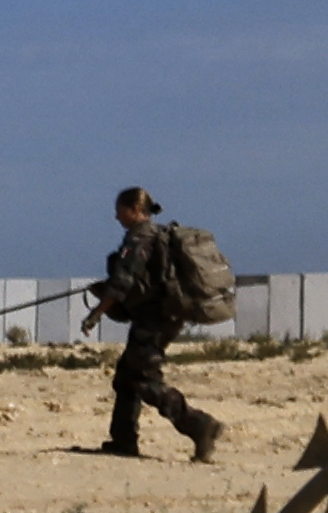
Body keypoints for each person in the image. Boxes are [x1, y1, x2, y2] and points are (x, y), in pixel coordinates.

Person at [88, 184, 230, 460]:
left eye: (120, 212)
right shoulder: (157, 235)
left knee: (145, 379)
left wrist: (95, 313)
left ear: (135, 210)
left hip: (153, 320)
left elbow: (121, 284)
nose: (117, 218)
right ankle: (123, 440)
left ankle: (199, 425)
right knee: (126, 376)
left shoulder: (139, 239)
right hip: (163, 317)